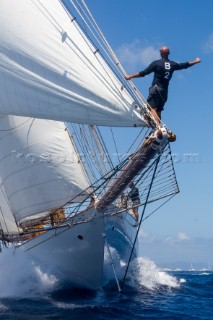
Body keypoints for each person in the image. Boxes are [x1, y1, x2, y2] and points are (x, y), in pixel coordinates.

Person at [125, 46, 201, 125]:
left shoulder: (156, 63)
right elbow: (185, 65)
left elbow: (144, 73)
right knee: (158, 111)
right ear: (168, 54)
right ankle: (160, 127)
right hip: (164, 92)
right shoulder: (173, 64)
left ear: (161, 53)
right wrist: (196, 61)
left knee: (152, 108)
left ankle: (158, 127)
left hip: (156, 89)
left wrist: (130, 76)